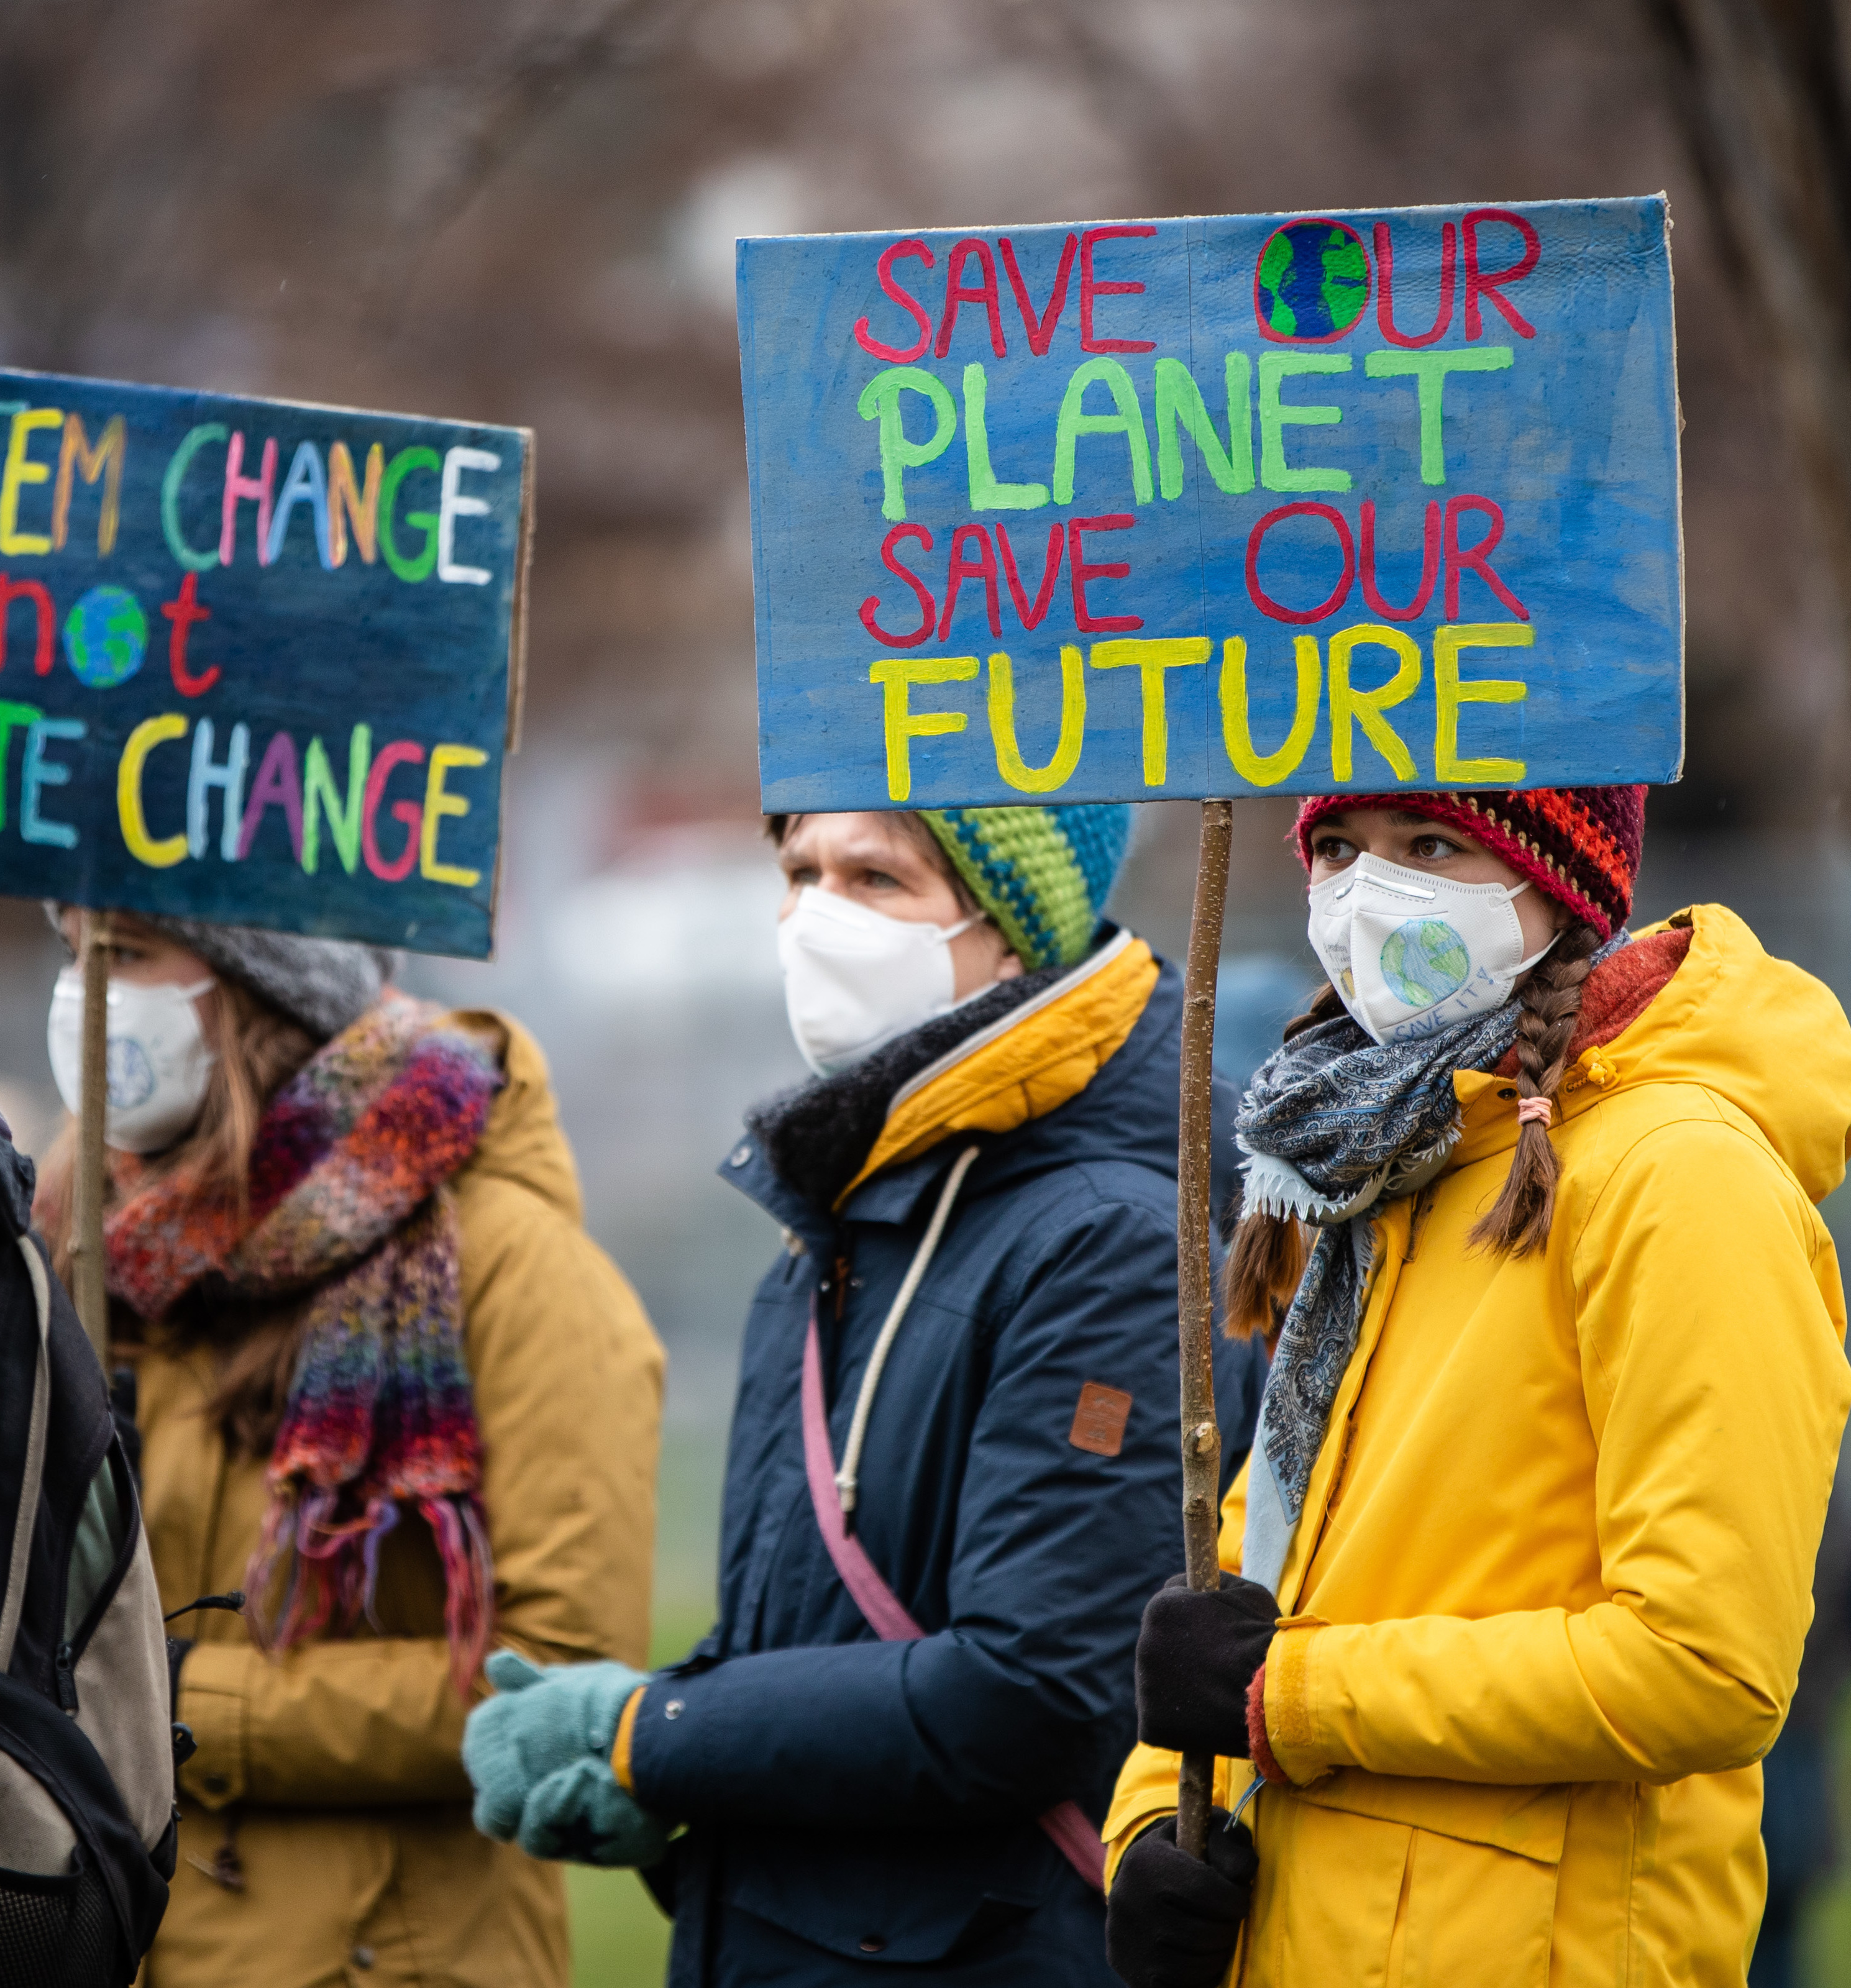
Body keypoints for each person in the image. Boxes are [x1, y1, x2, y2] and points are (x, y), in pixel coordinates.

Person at [467, 803, 1261, 1986]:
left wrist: (647, 1733)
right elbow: (812, 1624)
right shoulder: (856, 1198)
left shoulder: (1110, 1241)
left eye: (878, 878)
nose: (815, 917)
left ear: (1013, 930)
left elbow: (1031, 1689)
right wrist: (673, 1776)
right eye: (798, 871)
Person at [1104, 787, 1851, 1988]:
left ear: (1557, 887)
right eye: (1338, 849)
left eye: (1432, 846)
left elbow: (1704, 1671)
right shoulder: (1381, 1151)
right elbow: (1258, 1560)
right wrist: (1148, 1824)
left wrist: (1287, 1698)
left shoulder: (1680, 1180)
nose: (1366, 893)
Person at [30, 907, 661, 1988]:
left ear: (271, 979)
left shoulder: (520, 1274)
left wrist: (180, 1710)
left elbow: (555, 1684)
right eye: (71, 952)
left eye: (126, 953)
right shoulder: (89, 1240)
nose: (85, 991)